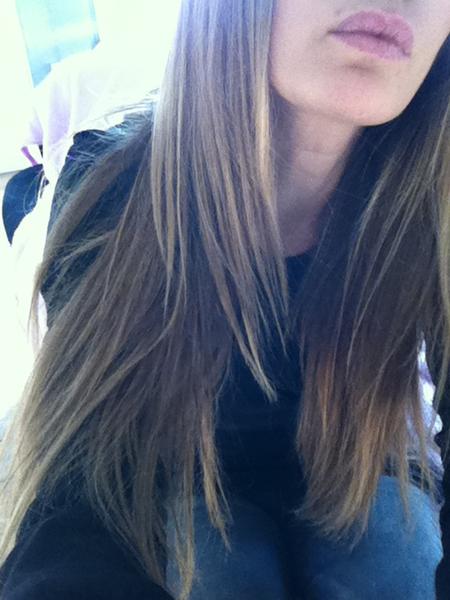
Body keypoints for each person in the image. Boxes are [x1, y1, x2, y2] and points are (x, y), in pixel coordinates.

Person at [0, 1, 449, 598]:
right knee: (215, 563)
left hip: (362, 468)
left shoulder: (433, 216)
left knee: (393, 556)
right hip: (179, 474)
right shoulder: (110, 195)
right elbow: (82, 487)